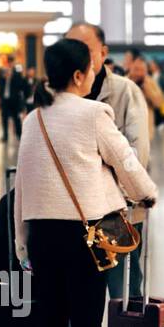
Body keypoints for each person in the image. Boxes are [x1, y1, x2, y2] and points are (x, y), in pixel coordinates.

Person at [14, 38, 157, 327]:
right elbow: (125, 160)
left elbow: (21, 186)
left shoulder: (33, 118)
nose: (96, 74)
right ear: (79, 75)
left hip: (42, 235)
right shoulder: (94, 113)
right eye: (92, 68)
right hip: (86, 236)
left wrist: (23, 243)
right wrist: (148, 193)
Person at [65, 23, 151, 299]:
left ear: (103, 52)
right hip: (70, 215)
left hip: (117, 216)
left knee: (123, 297)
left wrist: (119, 199)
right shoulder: (54, 96)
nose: (77, 56)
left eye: (86, 50)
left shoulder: (125, 93)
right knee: (74, 302)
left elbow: (135, 155)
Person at [0, 55, 25, 143]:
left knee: (16, 118)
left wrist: (12, 77)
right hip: (4, 100)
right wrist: (4, 78)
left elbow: (20, 85)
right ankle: (5, 136)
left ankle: (19, 134)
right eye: (8, 62)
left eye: (11, 62)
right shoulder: (1, 72)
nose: (10, 64)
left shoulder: (17, 73)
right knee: (4, 118)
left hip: (14, 100)